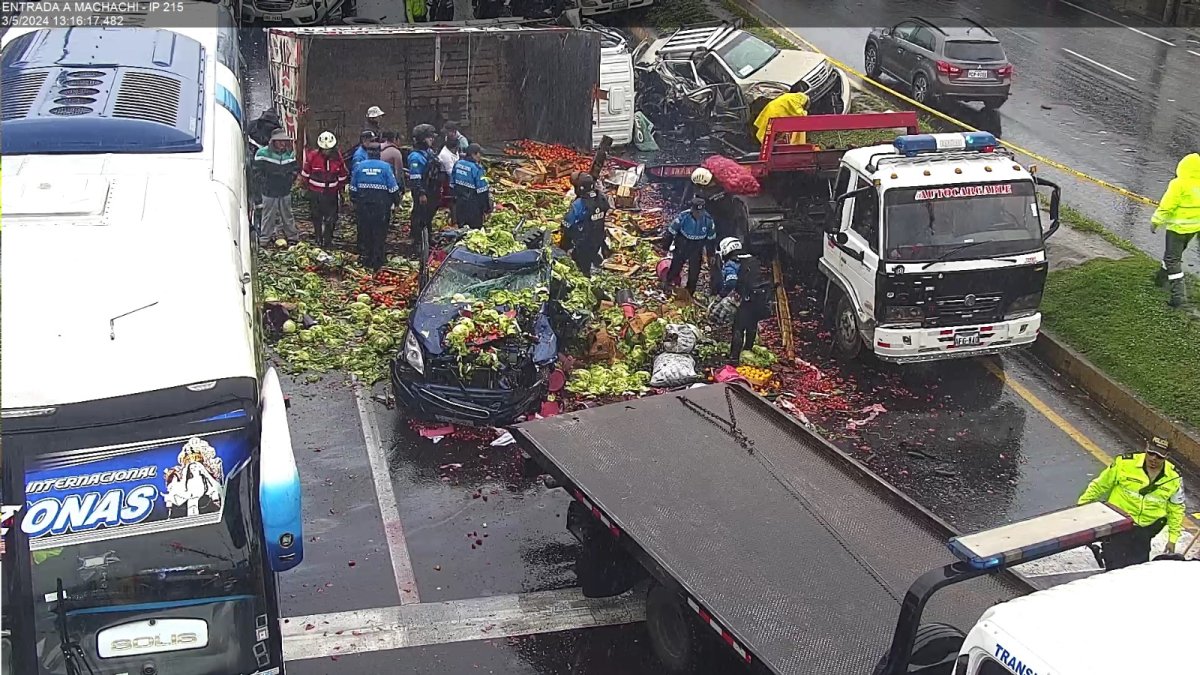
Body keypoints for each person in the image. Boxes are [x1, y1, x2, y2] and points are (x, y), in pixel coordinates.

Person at [1078, 436, 1186, 570]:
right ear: (1146, 448)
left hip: (1145, 529)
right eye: (1151, 453)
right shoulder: (1125, 463)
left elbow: (1176, 508)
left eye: (1159, 456)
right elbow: (1100, 485)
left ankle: (1104, 552)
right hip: (1120, 523)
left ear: (1167, 456)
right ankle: (1105, 552)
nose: (1153, 458)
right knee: (1115, 569)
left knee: (1137, 570)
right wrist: (1082, 507)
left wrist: (1173, 539)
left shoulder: (1174, 477)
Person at [1152, 153, 1200, 308]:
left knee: (1173, 260)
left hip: (1177, 230)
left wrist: (1156, 221)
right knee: (1172, 256)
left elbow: (1167, 204)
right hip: (1193, 229)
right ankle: (1160, 279)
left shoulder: (1178, 184)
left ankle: (1178, 296)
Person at [716, 237, 772, 362]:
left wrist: (722, 295)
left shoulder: (732, 263)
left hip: (746, 299)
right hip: (761, 298)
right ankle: (748, 351)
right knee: (752, 325)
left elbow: (731, 281)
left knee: (738, 327)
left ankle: (734, 358)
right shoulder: (753, 259)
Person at [349, 145, 402, 270]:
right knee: (380, 232)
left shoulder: (359, 166)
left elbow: (353, 188)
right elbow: (393, 188)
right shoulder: (386, 167)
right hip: (381, 206)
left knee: (365, 231)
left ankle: (365, 258)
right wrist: (397, 203)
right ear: (379, 154)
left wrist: (354, 201)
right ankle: (378, 259)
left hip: (364, 205)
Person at [691, 167, 738, 294]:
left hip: (715, 232)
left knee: (715, 259)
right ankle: (731, 283)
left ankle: (717, 288)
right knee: (730, 257)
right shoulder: (723, 189)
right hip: (729, 228)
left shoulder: (705, 197)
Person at [301, 131, 350, 248]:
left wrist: (340, 190)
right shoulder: (312, 156)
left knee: (332, 218)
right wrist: (307, 189)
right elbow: (306, 174)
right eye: (324, 149)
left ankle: (328, 239)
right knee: (316, 216)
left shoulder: (337, 158)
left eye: (328, 149)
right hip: (316, 193)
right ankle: (318, 237)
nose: (326, 152)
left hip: (331, 193)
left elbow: (342, 175)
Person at [255, 128, 300, 245]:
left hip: (285, 190)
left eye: (284, 141)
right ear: (273, 142)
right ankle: (265, 238)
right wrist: (265, 183)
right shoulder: (262, 154)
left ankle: (292, 237)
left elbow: (295, 169)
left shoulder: (289, 154)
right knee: (268, 216)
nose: (282, 144)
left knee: (287, 215)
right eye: (279, 141)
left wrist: (290, 180)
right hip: (269, 191)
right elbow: (257, 172)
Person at [663, 197, 716, 295]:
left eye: (700, 212)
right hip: (683, 245)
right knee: (675, 267)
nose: (698, 215)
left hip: (697, 247)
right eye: (696, 212)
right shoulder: (683, 217)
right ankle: (668, 285)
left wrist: (711, 255)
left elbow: (711, 239)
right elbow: (671, 231)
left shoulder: (708, 220)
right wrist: (666, 246)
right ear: (692, 210)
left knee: (694, 272)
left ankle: (689, 292)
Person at [563, 173, 611, 277]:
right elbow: (606, 209)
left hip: (584, 242)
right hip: (598, 237)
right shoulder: (602, 197)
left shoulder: (579, 204)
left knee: (582, 268)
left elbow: (568, 223)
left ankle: (586, 275)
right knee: (593, 258)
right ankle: (595, 266)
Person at [407, 123, 442, 246]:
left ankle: (428, 236)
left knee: (428, 215)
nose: (431, 139)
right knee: (420, 215)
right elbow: (415, 178)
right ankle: (418, 241)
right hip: (424, 191)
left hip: (432, 190)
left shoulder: (429, 152)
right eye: (429, 137)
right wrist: (421, 193)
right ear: (422, 139)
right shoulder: (416, 157)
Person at [451, 143, 492, 230]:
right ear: (473, 154)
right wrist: (487, 208)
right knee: (474, 231)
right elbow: (483, 190)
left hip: (460, 204)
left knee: (462, 229)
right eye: (479, 154)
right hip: (473, 206)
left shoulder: (458, 164)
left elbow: (452, 184)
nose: (480, 156)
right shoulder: (477, 169)